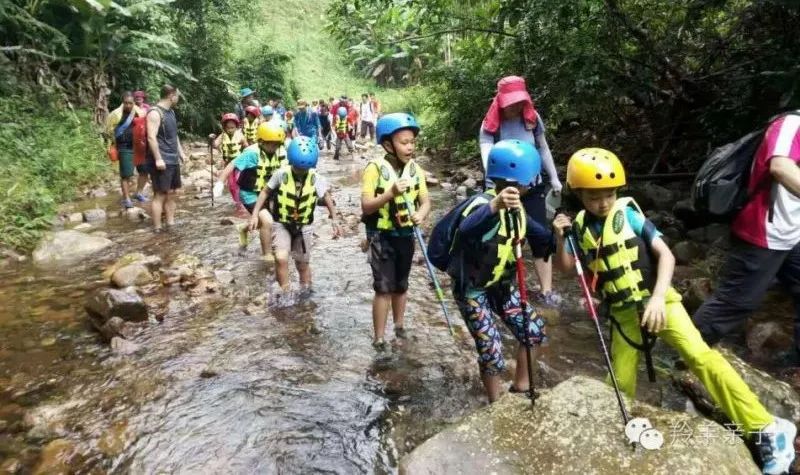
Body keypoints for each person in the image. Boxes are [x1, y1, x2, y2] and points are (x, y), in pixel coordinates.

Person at [551, 148, 797, 475]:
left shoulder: (630, 215)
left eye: (609, 194)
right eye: (594, 197)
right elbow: (567, 268)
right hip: (624, 314)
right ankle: (613, 438)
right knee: (619, 381)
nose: (603, 203)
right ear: (578, 193)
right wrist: (559, 235)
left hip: (661, 302)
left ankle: (767, 428)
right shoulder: (579, 226)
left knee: (700, 356)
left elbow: (666, 256)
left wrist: (656, 299)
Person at [693, 113, 800, 367]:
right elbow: (780, 167)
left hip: (794, 233)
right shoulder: (790, 124)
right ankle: (683, 353)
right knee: (736, 302)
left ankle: (794, 362)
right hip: (763, 231)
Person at [452, 140, 550, 403]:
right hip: (473, 289)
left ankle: (521, 386)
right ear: (520, 180)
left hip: (501, 287)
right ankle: (495, 403)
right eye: (531, 179)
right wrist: (494, 206)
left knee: (534, 331)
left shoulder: (518, 209)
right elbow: (466, 230)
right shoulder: (481, 204)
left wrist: (561, 233)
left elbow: (542, 237)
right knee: (492, 350)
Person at [479, 75, 563, 308]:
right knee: (504, 238)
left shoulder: (532, 119)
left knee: (541, 237)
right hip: (503, 190)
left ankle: (546, 291)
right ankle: (505, 289)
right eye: (511, 103)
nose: (515, 107)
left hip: (533, 186)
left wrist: (554, 178)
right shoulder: (490, 125)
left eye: (518, 102)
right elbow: (488, 157)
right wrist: (494, 189)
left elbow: (543, 149)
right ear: (501, 101)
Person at [361, 113, 431, 349]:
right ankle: (379, 338)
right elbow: (367, 205)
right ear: (388, 144)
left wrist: (420, 215)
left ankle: (399, 327)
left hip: (405, 235)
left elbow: (426, 202)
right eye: (404, 142)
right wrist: (390, 193)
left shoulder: (416, 171)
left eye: (412, 141)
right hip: (381, 236)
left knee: (401, 284)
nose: (410, 146)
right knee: (383, 287)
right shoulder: (374, 169)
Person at [249, 137, 342, 291]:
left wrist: (335, 219)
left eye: (304, 169)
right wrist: (254, 215)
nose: (301, 172)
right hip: (282, 223)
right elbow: (265, 191)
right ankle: (286, 293)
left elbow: (326, 197)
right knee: (281, 258)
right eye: (298, 168)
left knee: (302, 264)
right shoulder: (281, 174)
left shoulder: (316, 178)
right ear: (291, 162)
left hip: (304, 226)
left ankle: (305, 294)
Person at [215, 122, 286, 262]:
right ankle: (266, 255)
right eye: (270, 143)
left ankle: (243, 228)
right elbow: (232, 164)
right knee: (267, 221)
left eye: (277, 143)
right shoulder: (252, 153)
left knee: (270, 221)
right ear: (261, 141)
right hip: (250, 193)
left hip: (267, 192)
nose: (274, 147)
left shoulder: (281, 151)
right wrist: (220, 182)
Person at [146, 84, 187, 233]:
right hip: (162, 160)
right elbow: (151, 137)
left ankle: (170, 224)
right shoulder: (155, 113)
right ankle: (157, 228)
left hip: (173, 159)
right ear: (171, 95)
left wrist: (180, 152)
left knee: (172, 192)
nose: (178, 98)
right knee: (160, 194)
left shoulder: (171, 112)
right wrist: (158, 158)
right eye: (177, 95)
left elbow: (173, 134)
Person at [107, 91, 147, 208]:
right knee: (126, 175)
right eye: (126, 103)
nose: (128, 105)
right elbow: (109, 130)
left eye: (130, 103)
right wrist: (111, 146)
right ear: (122, 103)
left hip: (139, 147)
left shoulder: (140, 113)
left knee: (144, 171)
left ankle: (139, 193)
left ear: (134, 103)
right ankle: (126, 198)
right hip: (124, 147)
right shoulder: (115, 115)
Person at [211, 113, 248, 210]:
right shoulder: (222, 136)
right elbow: (215, 145)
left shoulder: (240, 135)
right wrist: (211, 140)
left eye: (232, 127)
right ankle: (237, 202)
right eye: (228, 128)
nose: (230, 130)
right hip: (228, 165)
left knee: (239, 182)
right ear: (224, 127)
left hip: (240, 163)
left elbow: (246, 147)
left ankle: (243, 203)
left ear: (236, 126)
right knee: (231, 185)